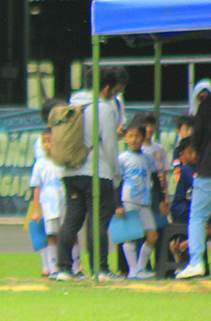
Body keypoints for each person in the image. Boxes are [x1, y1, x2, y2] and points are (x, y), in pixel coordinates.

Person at [54, 66, 126, 282]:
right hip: (97, 172)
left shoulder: (72, 104)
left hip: (70, 171)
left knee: (72, 220)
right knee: (98, 222)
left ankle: (64, 268)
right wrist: (115, 172)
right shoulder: (103, 108)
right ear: (106, 88)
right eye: (114, 91)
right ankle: (100, 269)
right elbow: (111, 145)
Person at [116, 123, 162, 280]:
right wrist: (118, 205)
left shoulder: (148, 158)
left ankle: (140, 268)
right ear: (126, 139)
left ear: (143, 138)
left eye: (137, 136)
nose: (134, 139)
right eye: (130, 136)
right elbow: (117, 182)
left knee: (152, 236)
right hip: (129, 200)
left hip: (145, 201)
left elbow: (155, 179)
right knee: (130, 235)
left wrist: (161, 200)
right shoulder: (122, 159)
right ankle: (133, 270)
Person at [176, 80, 211, 279]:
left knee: (198, 216)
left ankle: (196, 261)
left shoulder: (205, 106)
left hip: (208, 169)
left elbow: (197, 138)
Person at [29, 128, 64, 277]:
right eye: (45, 141)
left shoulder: (62, 161)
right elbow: (37, 187)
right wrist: (36, 210)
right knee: (51, 235)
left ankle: (75, 267)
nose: (47, 144)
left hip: (63, 201)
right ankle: (52, 267)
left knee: (68, 233)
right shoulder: (40, 164)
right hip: (48, 204)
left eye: (50, 141)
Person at [169, 136, 198, 263]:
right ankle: (185, 244)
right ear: (182, 155)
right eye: (190, 152)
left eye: (197, 152)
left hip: (190, 209)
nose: (195, 156)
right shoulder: (186, 168)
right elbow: (198, 184)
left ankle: (185, 245)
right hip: (182, 210)